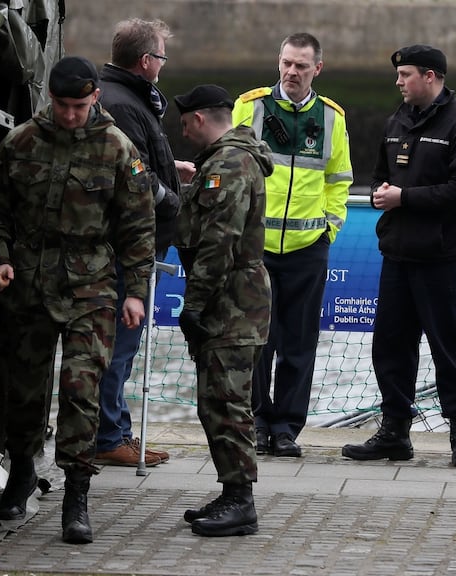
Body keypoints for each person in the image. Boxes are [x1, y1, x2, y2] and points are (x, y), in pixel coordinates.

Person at [0, 56, 155, 544]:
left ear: (95, 97)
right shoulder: (23, 141)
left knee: (80, 389)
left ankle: (77, 494)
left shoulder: (118, 149)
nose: (70, 114)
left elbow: (138, 226)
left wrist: (134, 291)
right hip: (29, 282)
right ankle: (23, 470)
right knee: (25, 390)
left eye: (78, 105)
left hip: (90, 284)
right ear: (49, 98)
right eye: (61, 105)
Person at [341, 45, 456, 468]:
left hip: (442, 258)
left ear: (430, 76)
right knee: (390, 346)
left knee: (448, 349)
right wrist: (383, 194)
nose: (399, 82)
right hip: (398, 255)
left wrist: (404, 197)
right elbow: (380, 178)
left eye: (405, 74)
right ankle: (394, 432)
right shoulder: (396, 121)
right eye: (398, 75)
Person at [231, 32, 352, 457]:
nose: (291, 72)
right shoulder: (251, 106)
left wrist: (328, 230)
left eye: (301, 65)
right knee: (257, 341)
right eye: (286, 62)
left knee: (299, 343)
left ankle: (287, 428)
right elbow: (234, 166)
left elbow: (340, 181)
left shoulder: (332, 118)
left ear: (317, 69)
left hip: (307, 247)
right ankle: (259, 422)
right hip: (257, 245)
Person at [94, 17, 195, 467]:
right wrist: (173, 199)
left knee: (122, 342)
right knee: (120, 342)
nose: (163, 65)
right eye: (162, 57)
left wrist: (172, 165)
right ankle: (107, 435)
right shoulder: (125, 103)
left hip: (129, 243)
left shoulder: (125, 98)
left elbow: (138, 158)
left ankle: (115, 428)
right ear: (147, 61)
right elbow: (133, 175)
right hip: (127, 245)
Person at [173, 84, 273, 537]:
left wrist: (193, 304)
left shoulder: (230, 163)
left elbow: (219, 241)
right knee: (215, 400)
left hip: (231, 302)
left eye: (184, 124)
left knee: (228, 402)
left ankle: (241, 501)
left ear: (198, 119)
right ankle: (231, 489)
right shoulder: (226, 159)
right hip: (231, 299)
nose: (183, 132)